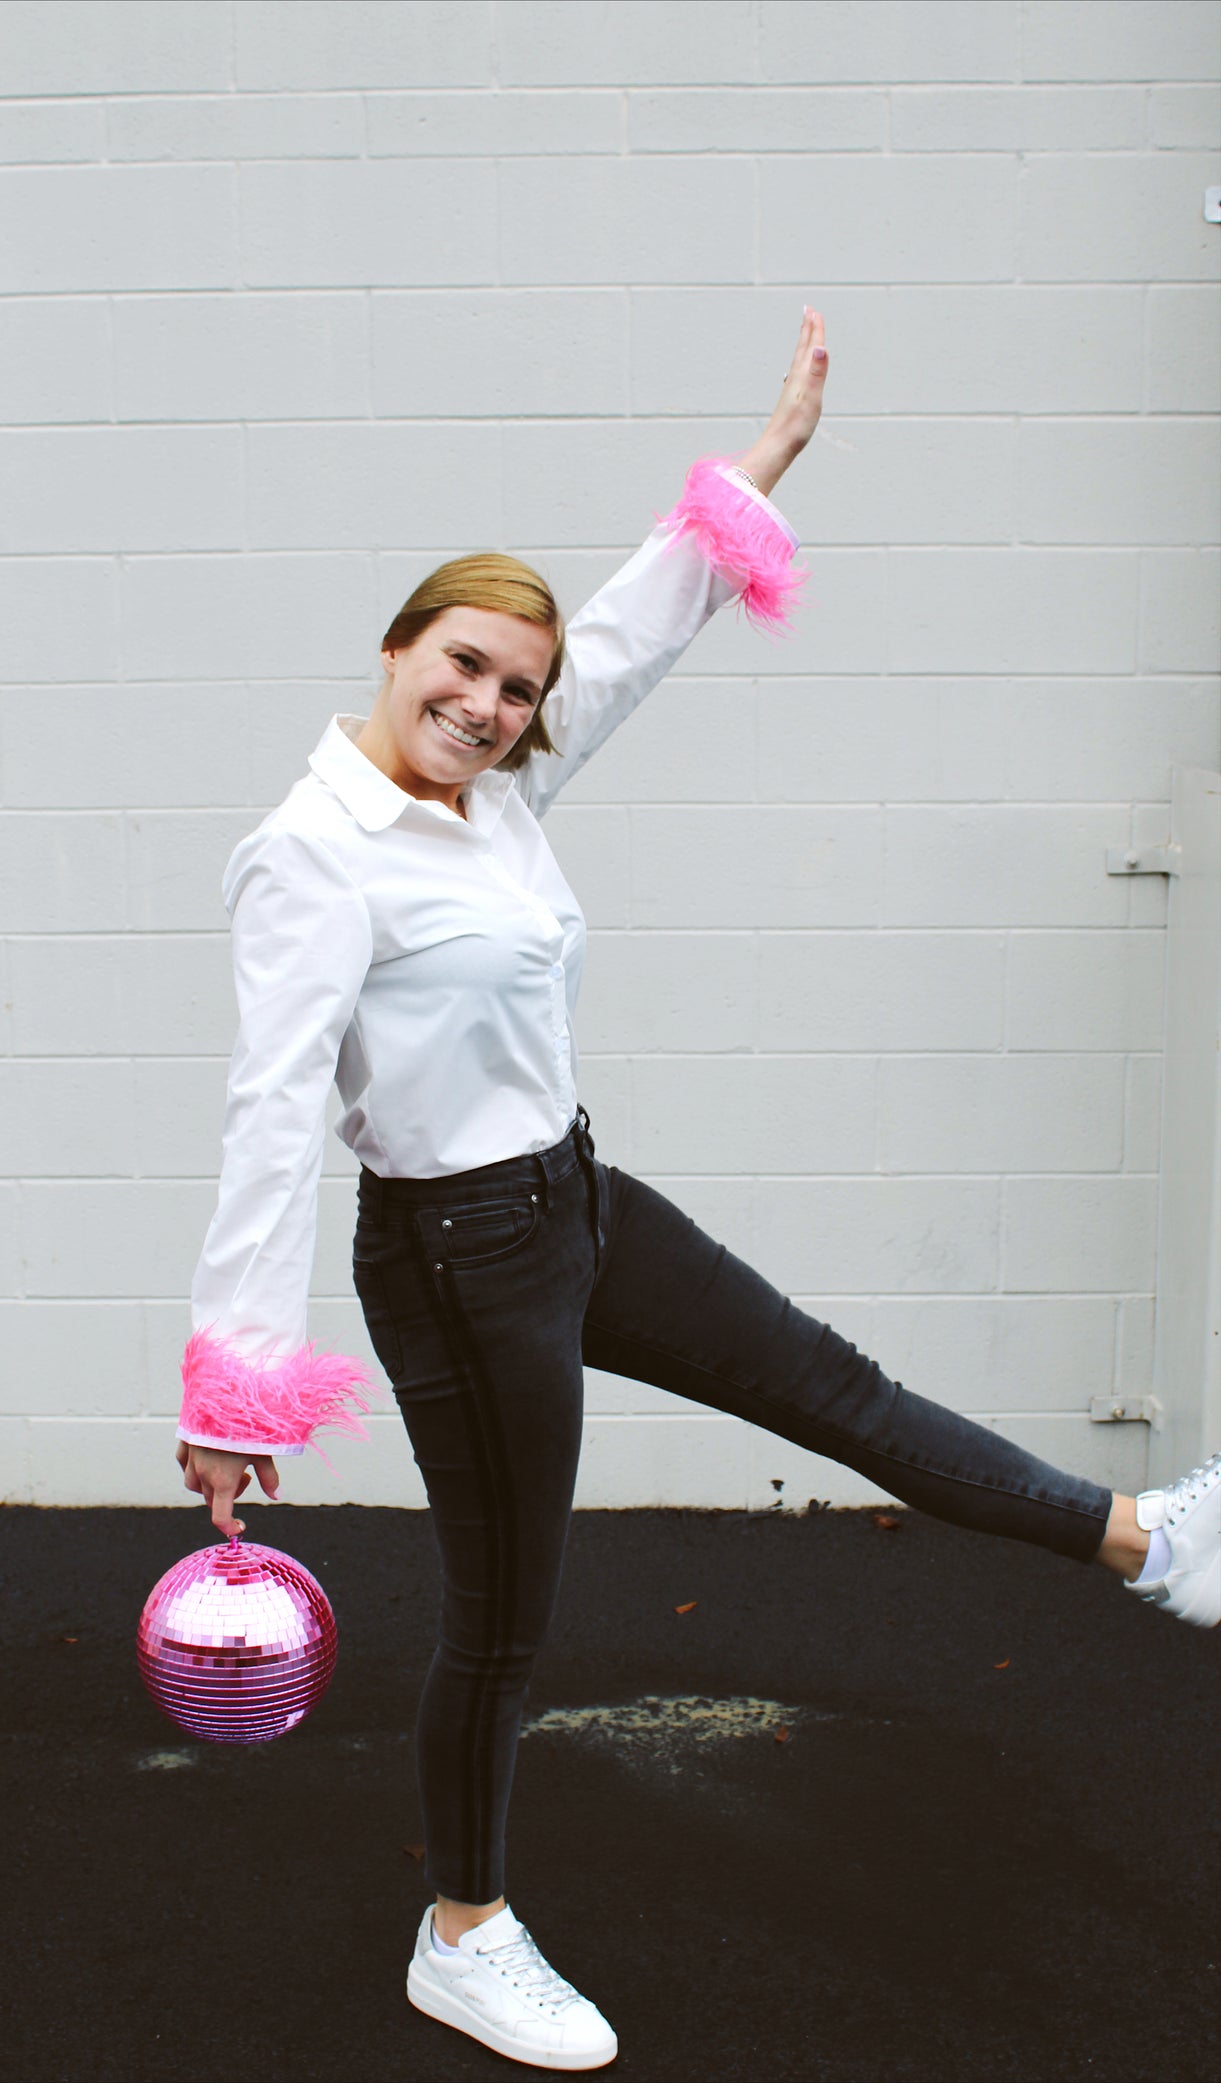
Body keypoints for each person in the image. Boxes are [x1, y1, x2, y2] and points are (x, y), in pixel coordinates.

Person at [174, 307, 1220, 2073]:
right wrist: (233, 1383)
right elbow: (271, 1115)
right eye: (460, 666)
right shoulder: (313, 857)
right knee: (502, 1623)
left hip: (574, 1203)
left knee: (841, 1393)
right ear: (394, 647)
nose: (488, 706)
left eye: (515, 688)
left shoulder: (493, 796)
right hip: (454, 1261)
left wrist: (761, 467)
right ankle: (462, 1935)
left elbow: (629, 633)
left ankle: (1148, 1541)